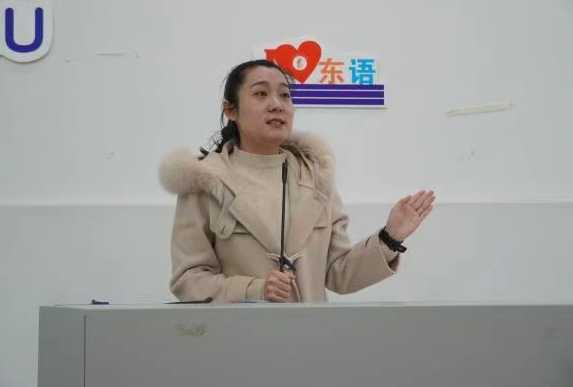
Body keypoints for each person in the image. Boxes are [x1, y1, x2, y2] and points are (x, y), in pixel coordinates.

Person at [159, 59, 435, 303]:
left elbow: (339, 274)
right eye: (260, 94)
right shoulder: (204, 180)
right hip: (241, 338)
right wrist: (254, 289)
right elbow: (188, 280)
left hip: (311, 338)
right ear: (230, 110)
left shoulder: (316, 177)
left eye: (285, 95)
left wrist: (390, 237)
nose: (277, 105)